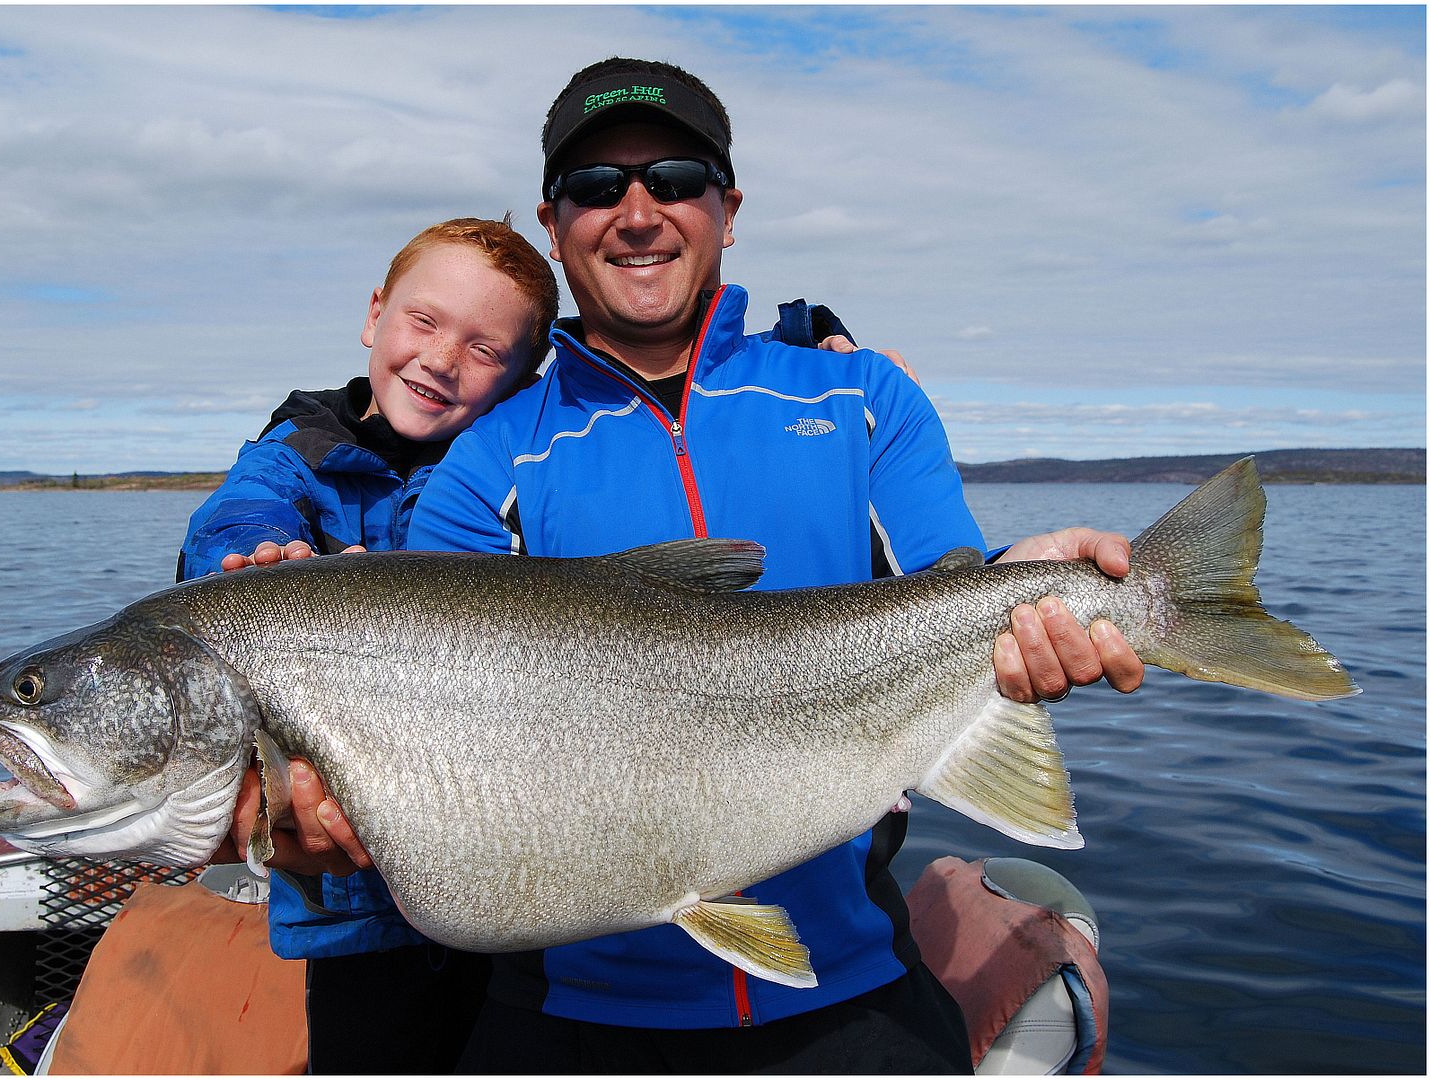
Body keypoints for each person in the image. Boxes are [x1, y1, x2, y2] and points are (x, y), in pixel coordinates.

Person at [248, 57, 1145, 1072]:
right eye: (597, 186)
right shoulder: (484, 469)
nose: (637, 213)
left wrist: (1033, 590)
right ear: (554, 224)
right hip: (568, 1014)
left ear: (728, 209)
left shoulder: (862, 399)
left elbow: (949, 591)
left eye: (674, 179)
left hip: (852, 984)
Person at [178, 215, 559, 1073]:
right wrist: (262, 562)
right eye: (423, 321)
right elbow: (235, 516)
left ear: (521, 375)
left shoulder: (524, 463)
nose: (440, 359)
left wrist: (808, 333)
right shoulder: (295, 453)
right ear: (374, 314)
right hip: (354, 913)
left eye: (483, 348)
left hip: (518, 882)